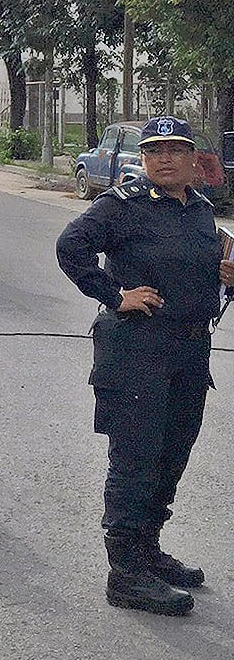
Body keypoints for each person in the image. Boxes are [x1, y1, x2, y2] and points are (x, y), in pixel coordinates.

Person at [56, 116, 233, 617]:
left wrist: (227, 277)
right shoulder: (123, 205)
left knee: (172, 455)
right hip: (136, 351)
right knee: (136, 460)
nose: (165, 159)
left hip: (189, 353)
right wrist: (115, 295)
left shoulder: (201, 210)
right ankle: (126, 575)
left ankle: (148, 549)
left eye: (175, 149)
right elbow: (70, 247)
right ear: (144, 158)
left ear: (194, 159)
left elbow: (200, 275)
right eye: (155, 150)